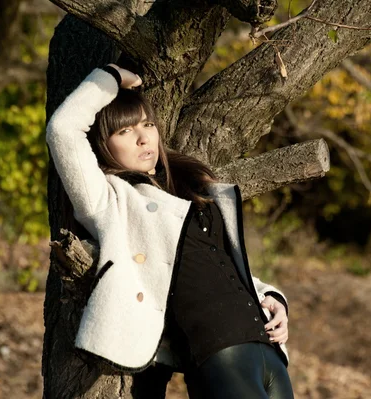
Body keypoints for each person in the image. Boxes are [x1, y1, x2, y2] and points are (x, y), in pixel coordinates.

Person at [46, 64, 294, 398]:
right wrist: (112, 76)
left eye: (147, 124)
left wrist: (273, 298)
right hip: (218, 352)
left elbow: (219, 265)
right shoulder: (109, 199)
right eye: (124, 131)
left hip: (268, 350)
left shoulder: (188, 188)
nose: (143, 137)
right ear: (101, 146)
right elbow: (62, 129)